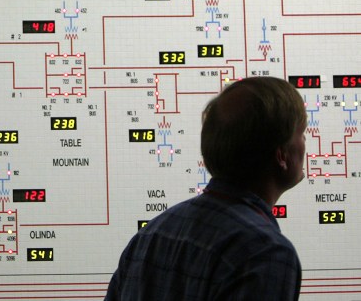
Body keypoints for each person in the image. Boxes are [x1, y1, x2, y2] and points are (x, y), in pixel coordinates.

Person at [105, 76, 306, 300]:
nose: (305, 144)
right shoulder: (265, 252)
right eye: (302, 134)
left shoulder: (151, 235)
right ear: (282, 155)